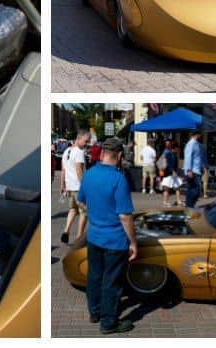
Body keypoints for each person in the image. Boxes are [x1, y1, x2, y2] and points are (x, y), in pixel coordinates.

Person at [77, 137, 136, 335]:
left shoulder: (88, 174)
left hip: (94, 236)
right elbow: (125, 216)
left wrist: (96, 214)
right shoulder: (119, 179)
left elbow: (82, 203)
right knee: (112, 282)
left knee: (94, 276)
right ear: (119, 156)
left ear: (102, 154)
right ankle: (108, 323)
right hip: (115, 240)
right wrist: (133, 242)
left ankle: (95, 312)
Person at [60, 131, 89, 244]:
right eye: (85, 141)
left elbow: (63, 170)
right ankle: (79, 237)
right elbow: (79, 170)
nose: (86, 144)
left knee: (72, 209)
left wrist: (62, 185)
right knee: (84, 212)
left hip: (70, 186)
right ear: (79, 138)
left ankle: (66, 230)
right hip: (78, 186)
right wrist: (84, 186)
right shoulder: (79, 152)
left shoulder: (66, 151)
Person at [182, 130, 207, 208]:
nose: (202, 136)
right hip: (192, 171)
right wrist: (188, 170)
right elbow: (188, 157)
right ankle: (189, 206)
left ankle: (191, 205)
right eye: (201, 134)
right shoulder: (191, 144)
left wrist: (203, 166)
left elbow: (198, 158)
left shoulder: (198, 145)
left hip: (197, 170)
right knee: (193, 190)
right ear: (197, 134)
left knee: (197, 190)